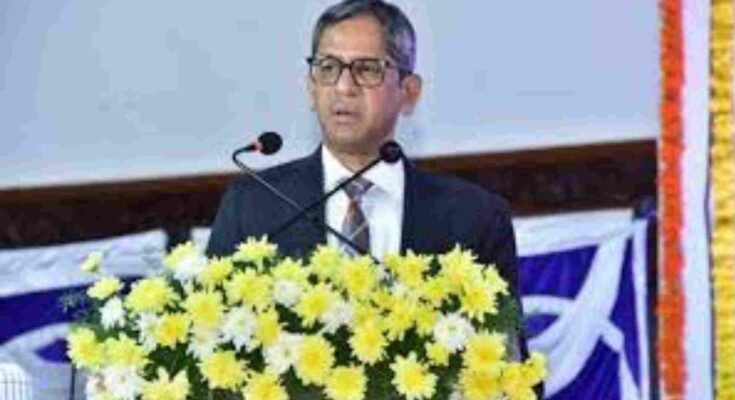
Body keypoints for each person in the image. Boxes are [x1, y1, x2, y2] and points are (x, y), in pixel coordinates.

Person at [207, 2, 539, 394]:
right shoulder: (255, 205)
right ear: (311, 87)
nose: (343, 87)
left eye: (366, 69)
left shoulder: (473, 217)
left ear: (409, 93)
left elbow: (510, 371)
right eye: (328, 68)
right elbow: (211, 355)